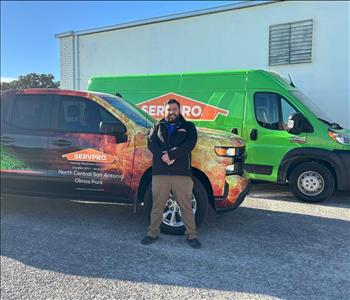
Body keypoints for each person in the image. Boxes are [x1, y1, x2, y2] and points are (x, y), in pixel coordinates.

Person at [141, 98, 201, 249]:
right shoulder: (157, 126)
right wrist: (163, 155)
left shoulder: (188, 127)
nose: (171, 112)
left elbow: (190, 144)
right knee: (157, 206)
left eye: (174, 109)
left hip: (181, 174)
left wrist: (172, 155)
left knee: (186, 205)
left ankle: (192, 235)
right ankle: (152, 233)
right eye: (168, 110)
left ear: (179, 110)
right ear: (164, 111)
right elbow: (151, 143)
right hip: (160, 173)